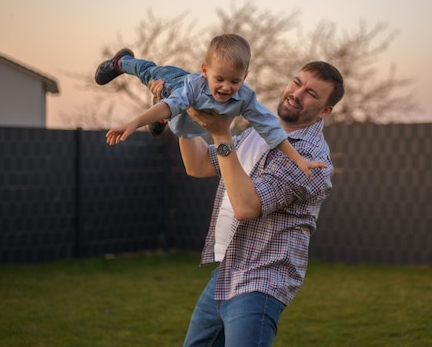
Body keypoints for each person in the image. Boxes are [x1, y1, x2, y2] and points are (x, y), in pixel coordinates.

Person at [162, 60, 344, 347]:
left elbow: (246, 207)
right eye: (297, 82)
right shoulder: (257, 132)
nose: (297, 93)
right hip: (227, 272)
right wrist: (182, 116)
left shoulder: (309, 158)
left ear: (325, 111)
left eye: (311, 93)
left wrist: (221, 133)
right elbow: (197, 165)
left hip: (262, 281)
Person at [97, 34, 325, 178]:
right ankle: (120, 62)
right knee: (151, 74)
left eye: (235, 81)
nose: (226, 87)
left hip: (186, 120)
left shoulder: (245, 98)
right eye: (220, 80)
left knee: (174, 113)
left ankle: (162, 119)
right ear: (205, 72)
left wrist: (298, 159)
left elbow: (271, 131)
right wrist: (133, 123)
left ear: (244, 77)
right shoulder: (195, 86)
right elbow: (171, 104)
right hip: (174, 86)